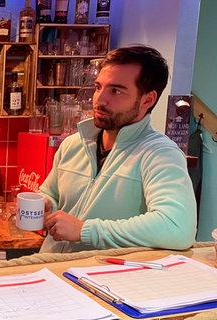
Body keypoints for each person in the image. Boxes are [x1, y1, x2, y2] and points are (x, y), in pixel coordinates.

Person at [39, 45, 197, 253]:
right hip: (51, 269)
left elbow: (177, 228)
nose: (99, 100)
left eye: (115, 91)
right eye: (98, 87)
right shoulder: (73, 144)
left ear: (147, 100)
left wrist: (85, 230)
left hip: (104, 279)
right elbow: (50, 193)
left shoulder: (160, 154)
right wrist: (44, 203)